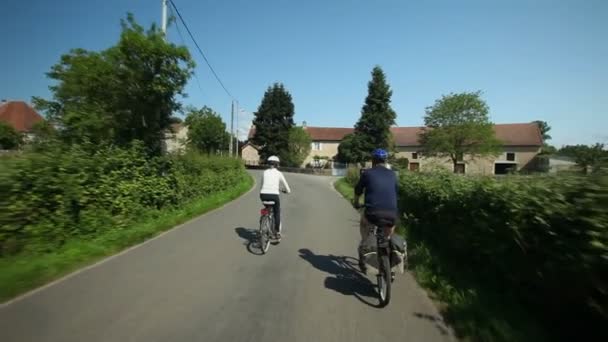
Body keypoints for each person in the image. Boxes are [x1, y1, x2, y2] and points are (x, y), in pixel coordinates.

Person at [353, 148, 398, 271]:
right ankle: (390, 261)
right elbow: (395, 191)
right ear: (385, 161)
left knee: (365, 229)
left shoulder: (367, 173)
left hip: (373, 213)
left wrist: (356, 203)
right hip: (391, 214)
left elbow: (358, 190)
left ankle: (364, 251)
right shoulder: (393, 174)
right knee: (387, 235)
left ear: (373, 161)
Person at [260, 155, 291, 238]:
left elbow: (262, 185)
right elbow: (288, 189)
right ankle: (277, 232)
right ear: (277, 164)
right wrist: (286, 191)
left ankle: (264, 220)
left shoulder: (264, 172)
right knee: (277, 212)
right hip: (274, 196)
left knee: (267, 208)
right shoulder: (279, 173)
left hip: (263, 195)